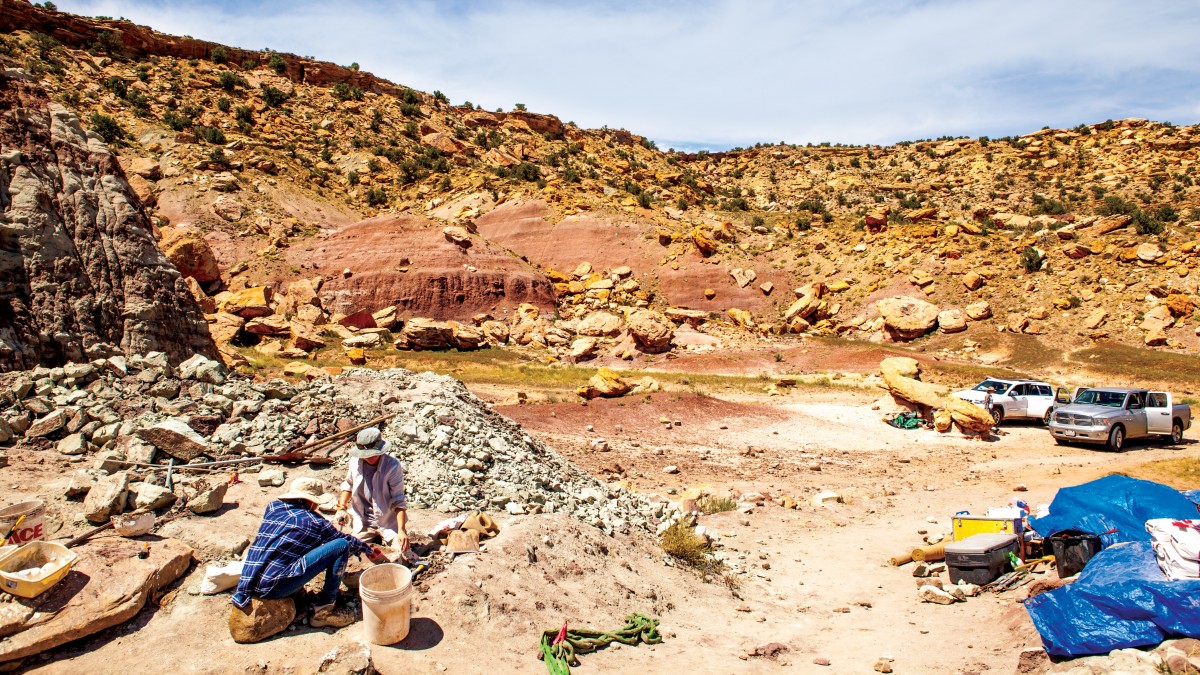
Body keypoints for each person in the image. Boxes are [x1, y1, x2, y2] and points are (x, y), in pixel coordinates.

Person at [232, 477, 384, 628]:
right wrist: (367, 549)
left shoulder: (274, 508)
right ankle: (324, 610)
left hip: (252, 579)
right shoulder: (314, 522)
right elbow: (342, 541)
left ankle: (298, 596)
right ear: (310, 501)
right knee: (341, 545)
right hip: (274, 587)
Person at [336, 427, 410, 553]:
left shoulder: (392, 466)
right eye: (365, 455)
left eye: (372, 454)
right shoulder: (355, 463)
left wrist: (401, 530)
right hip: (363, 521)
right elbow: (348, 485)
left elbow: (399, 500)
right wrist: (341, 507)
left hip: (387, 522)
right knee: (347, 550)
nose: (368, 458)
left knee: (402, 553)